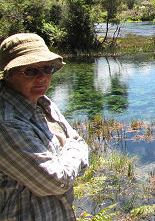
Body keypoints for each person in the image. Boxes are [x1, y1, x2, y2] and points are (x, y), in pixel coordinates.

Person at [0, 33, 89, 221]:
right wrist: (71, 147)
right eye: (31, 71)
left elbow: (81, 142)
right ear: (9, 75)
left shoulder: (42, 103)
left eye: (47, 69)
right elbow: (56, 182)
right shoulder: (6, 123)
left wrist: (71, 148)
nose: (42, 78)